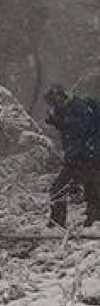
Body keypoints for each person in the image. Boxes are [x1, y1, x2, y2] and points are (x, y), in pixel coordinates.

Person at [45, 85, 100, 228]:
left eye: (54, 100)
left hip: (90, 156)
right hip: (75, 158)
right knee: (58, 189)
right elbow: (72, 134)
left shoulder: (79, 106)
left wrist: (59, 122)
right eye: (50, 102)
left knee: (92, 189)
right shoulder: (63, 111)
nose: (53, 104)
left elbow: (82, 128)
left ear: (61, 95)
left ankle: (94, 222)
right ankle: (57, 223)